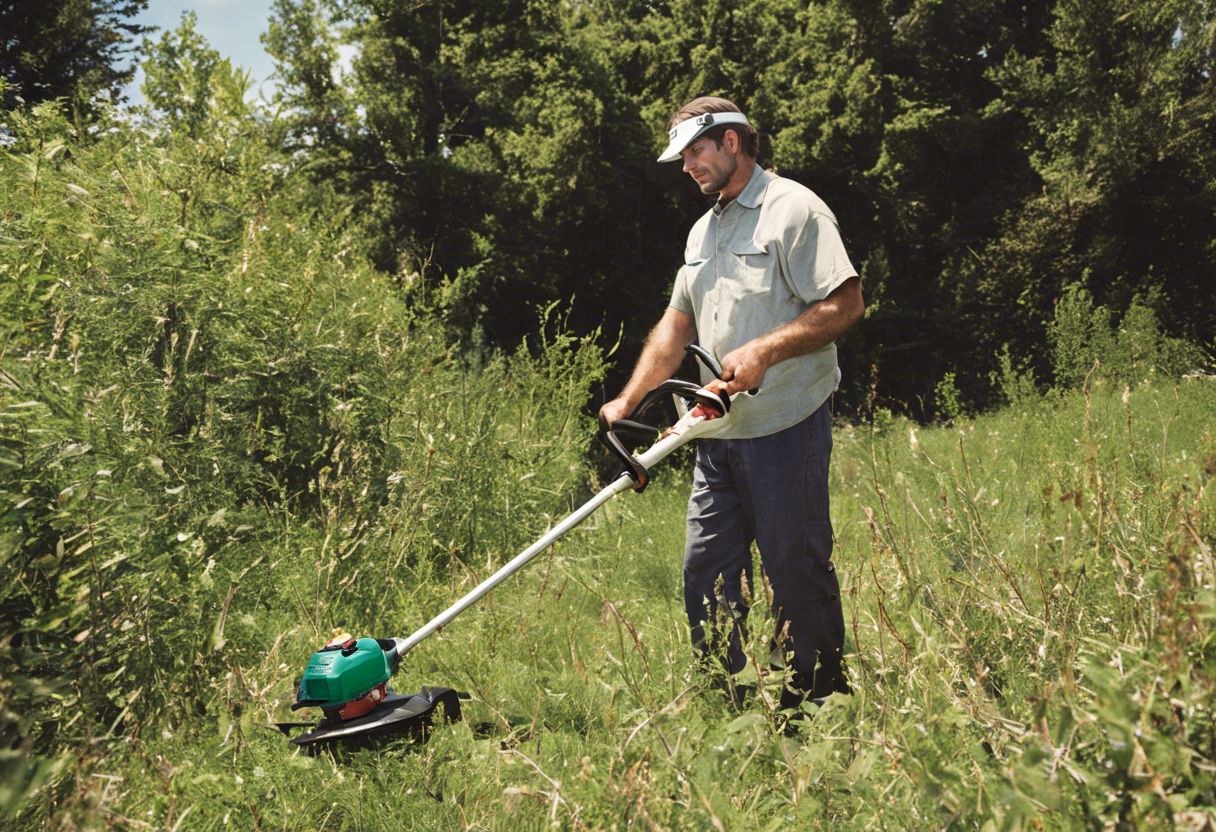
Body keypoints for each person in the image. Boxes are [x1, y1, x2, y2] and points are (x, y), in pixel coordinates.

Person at [599, 96, 864, 709]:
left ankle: (819, 704)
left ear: (733, 142)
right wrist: (628, 398)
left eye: (696, 151)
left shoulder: (793, 210)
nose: (687, 165)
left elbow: (845, 305)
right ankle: (731, 703)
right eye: (682, 156)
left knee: (795, 573)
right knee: (706, 575)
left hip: (784, 426)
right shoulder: (704, 229)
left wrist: (765, 351)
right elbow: (674, 328)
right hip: (712, 433)